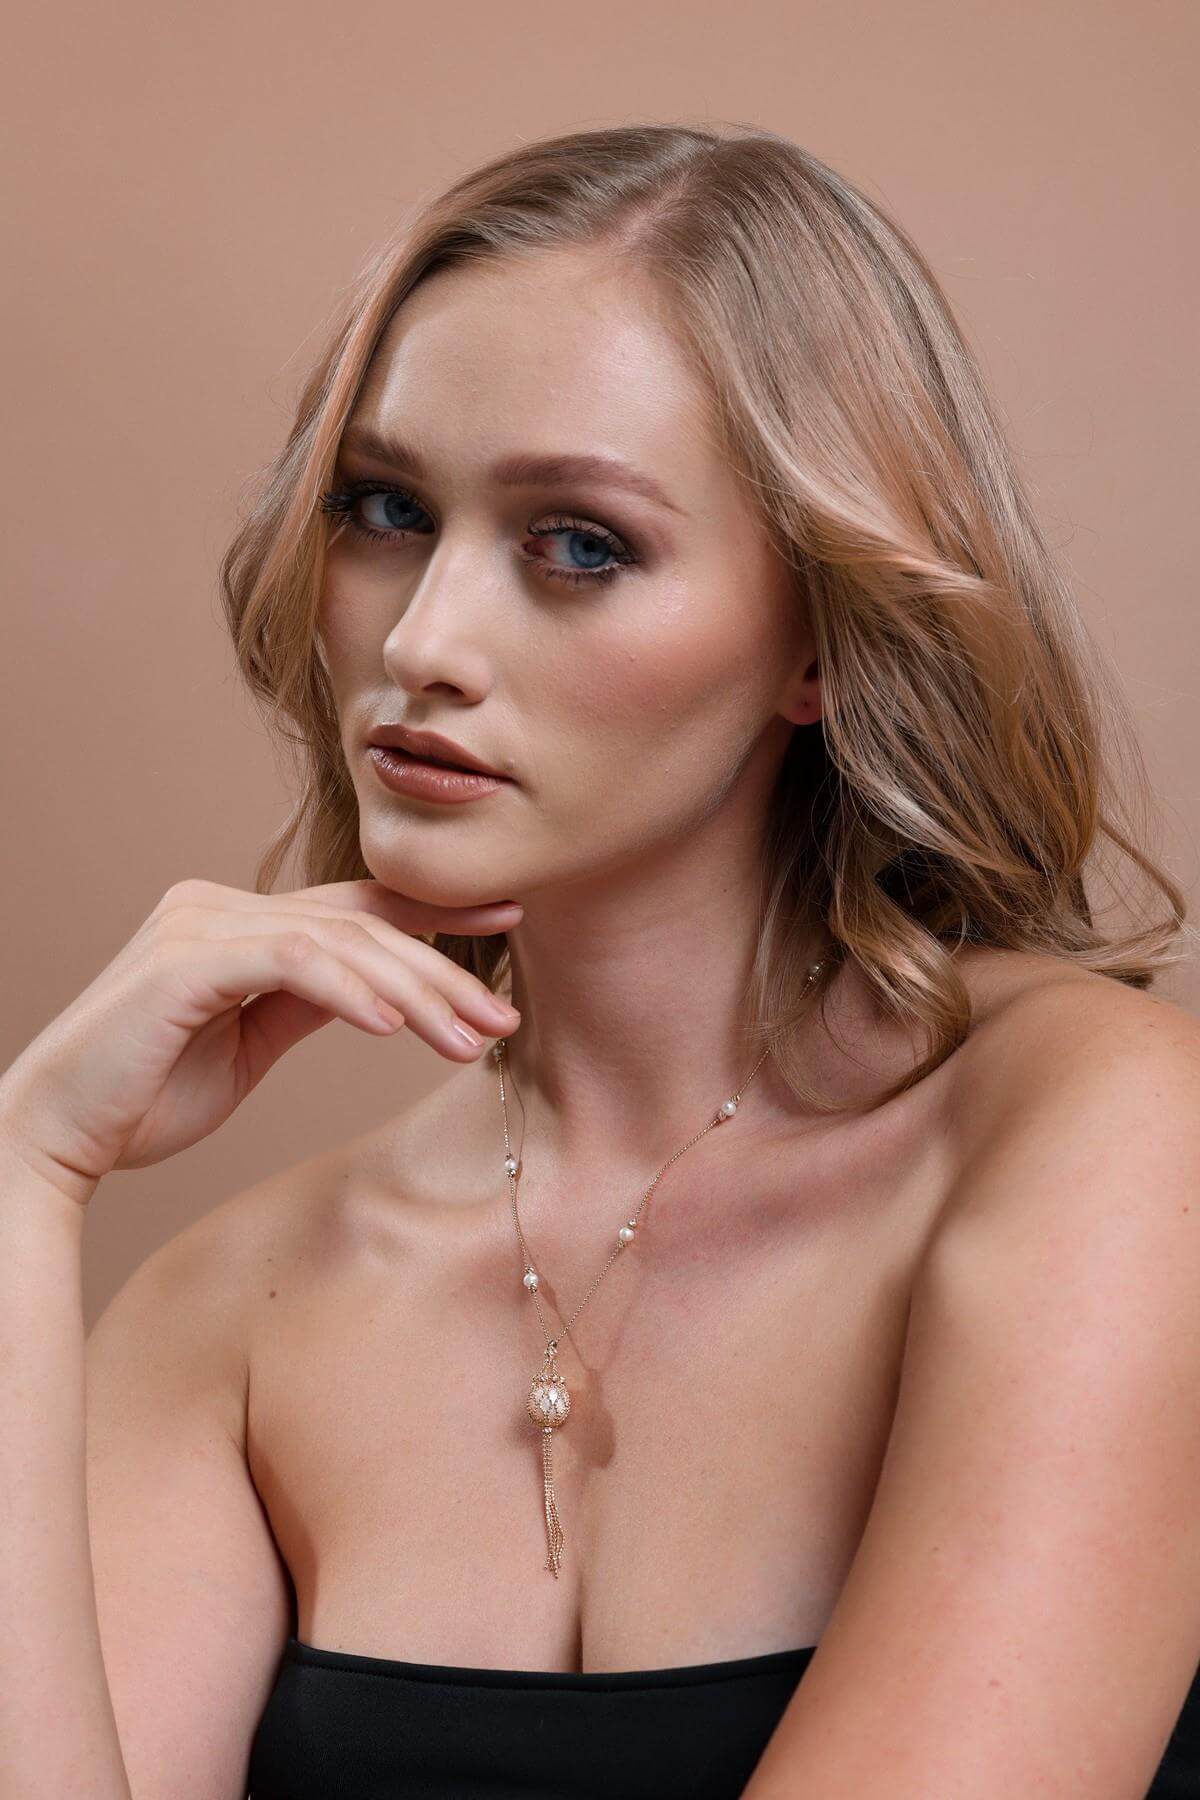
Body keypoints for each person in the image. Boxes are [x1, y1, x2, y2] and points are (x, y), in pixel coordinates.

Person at [2, 119, 1198, 1800]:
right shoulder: (228, 1317)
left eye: (579, 544)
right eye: (385, 510)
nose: (423, 640)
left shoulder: (1109, 1137)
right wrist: (22, 1177)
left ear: (818, 642)